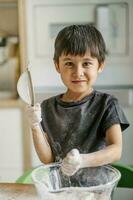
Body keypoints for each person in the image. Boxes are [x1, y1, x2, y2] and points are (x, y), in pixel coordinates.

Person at [27, 25, 129, 177]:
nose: (78, 72)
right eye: (69, 63)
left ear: (100, 65)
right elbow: (48, 159)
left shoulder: (107, 104)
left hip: (97, 191)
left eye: (86, 63)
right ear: (57, 65)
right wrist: (35, 126)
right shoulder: (47, 108)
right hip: (61, 190)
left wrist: (82, 160)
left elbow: (115, 150)